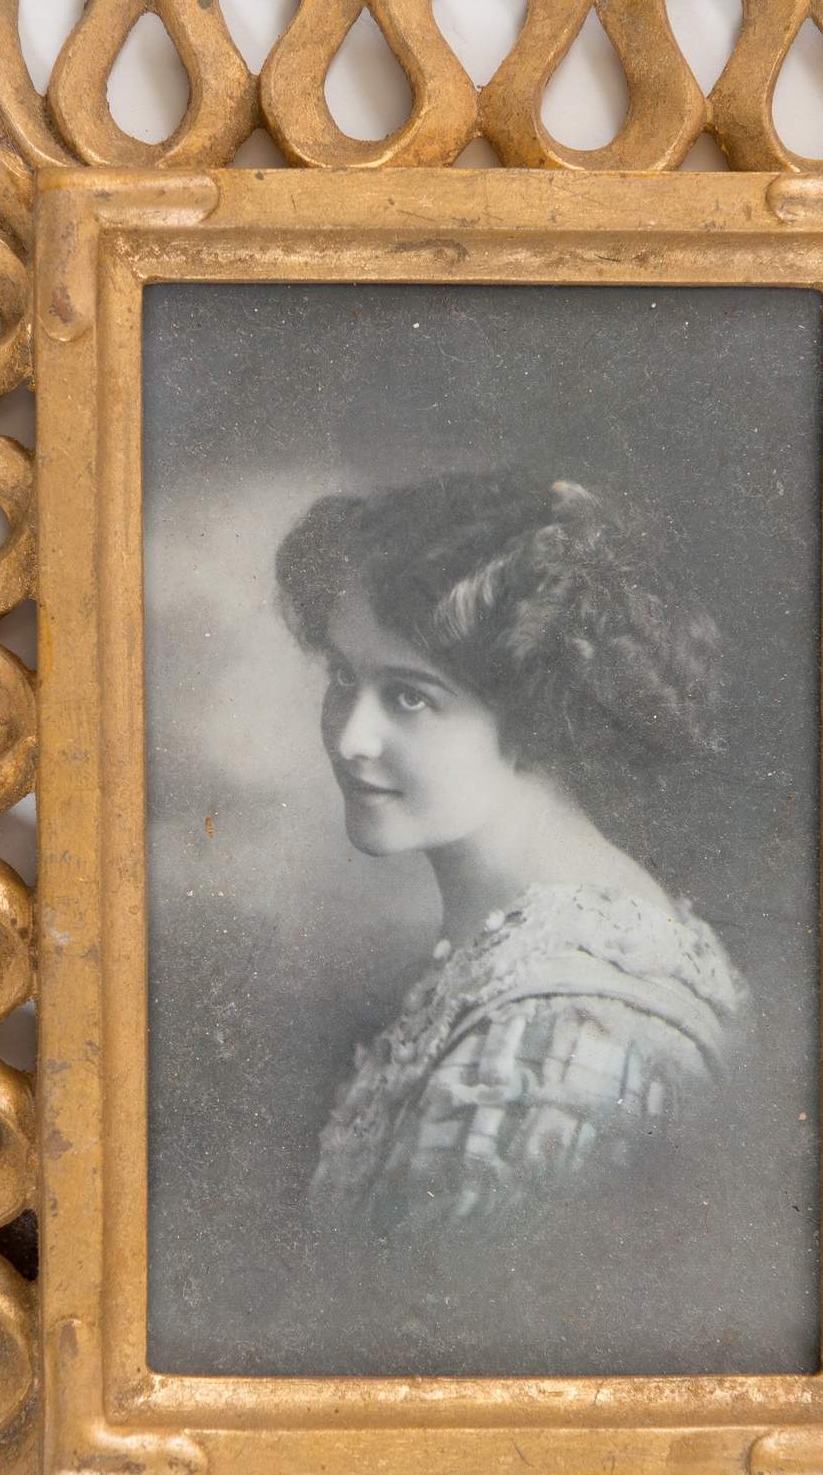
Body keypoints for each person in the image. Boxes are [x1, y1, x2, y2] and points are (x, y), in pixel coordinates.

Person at [274, 475, 746, 1240]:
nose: (350, 738)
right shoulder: (530, 944)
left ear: (536, 711)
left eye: (409, 696)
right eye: (342, 677)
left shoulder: (558, 1037)